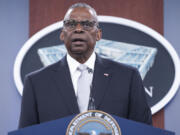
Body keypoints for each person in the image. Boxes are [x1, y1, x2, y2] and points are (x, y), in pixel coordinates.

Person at [19, 3, 152, 128]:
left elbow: (144, 130)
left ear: (98, 34)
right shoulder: (36, 82)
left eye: (87, 24)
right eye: (70, 24)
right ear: (62, 34)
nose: (78, 29)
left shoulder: (127, 77)